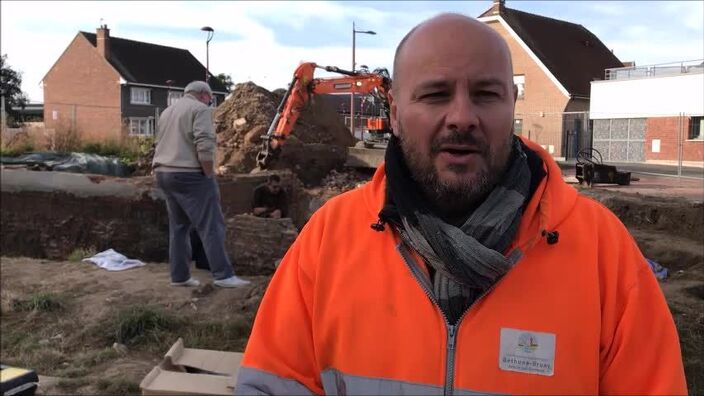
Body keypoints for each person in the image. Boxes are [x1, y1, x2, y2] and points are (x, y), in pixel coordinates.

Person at [235, 14, 686, 395]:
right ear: (393, 112)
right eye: (435, 94)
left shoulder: (603, 254)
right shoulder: (328, 241)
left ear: (511, 104)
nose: (462, 117)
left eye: (486, 95)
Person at [153, 80, 250, 288]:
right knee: (211, 224)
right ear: (204, 95)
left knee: (179, 227)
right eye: (210, 98)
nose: (210, 101)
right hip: (189, 174)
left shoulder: (167, 112)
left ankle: (180, 277)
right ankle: (223, 275)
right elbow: (204, 143)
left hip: (163, 172)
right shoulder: (200, 110)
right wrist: (208, 174)